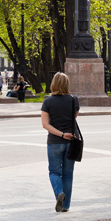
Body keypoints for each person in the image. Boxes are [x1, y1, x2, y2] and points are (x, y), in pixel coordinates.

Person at [41, 72, 79, 212]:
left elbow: (45, 124)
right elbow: (73, 118)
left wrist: (61, 134)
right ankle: (66, 205)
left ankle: (59, 193)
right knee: (68, 174)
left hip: (55, 142)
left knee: (54, 172)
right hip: (71, 141)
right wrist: (66, 134)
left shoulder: (48, 101)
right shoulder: (74, 100)